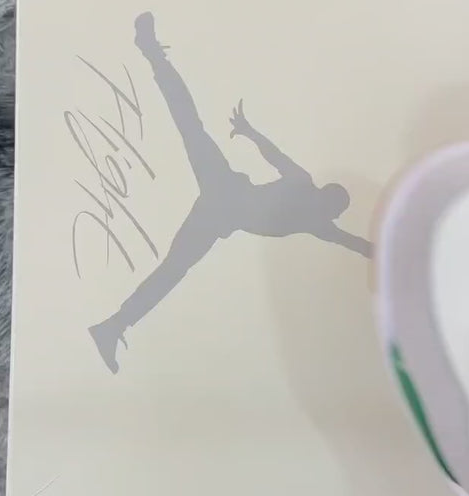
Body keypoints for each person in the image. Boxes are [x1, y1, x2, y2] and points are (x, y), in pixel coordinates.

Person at [89, 12, 372, 373]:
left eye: (333, 213)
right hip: (224, 187)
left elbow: (357, 244)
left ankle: (113, 326)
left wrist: (398, 252)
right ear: (326, 197)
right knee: (189, 124)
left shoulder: (317, 222)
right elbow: (275, 155)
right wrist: (250, 132)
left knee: (172, 270)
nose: (331, 215)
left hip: (217, 217)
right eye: (332, 208)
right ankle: (152, 51)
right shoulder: (304, 188)